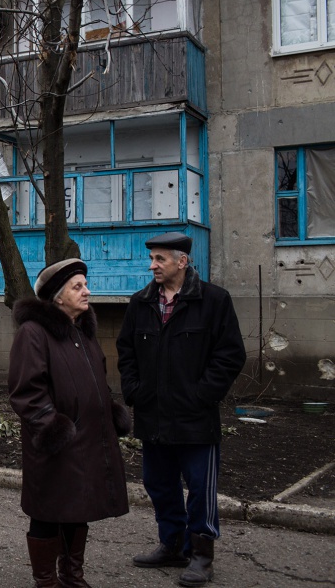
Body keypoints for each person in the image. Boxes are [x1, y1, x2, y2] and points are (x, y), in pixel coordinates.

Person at [117, 232, 246, 587]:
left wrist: (203, 395)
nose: (152, 265)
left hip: (195, 418)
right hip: (153, 415)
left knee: (201, 489)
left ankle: (201, 555)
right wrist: (134, 390)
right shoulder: (140, 302)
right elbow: (126, 351)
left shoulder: (214, 300)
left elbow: (231, 354)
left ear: (182, 261)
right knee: (159, 484)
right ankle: (171, 544)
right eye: (152, 259)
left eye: (160, 259)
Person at [8, 258, 131, 588]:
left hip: (91, 438)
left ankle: (72, 576)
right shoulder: (33, 333)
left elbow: (99, 380)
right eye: (78, 286)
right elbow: (26, 392)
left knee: (80, 508)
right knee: (48, 512)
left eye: (85, 284)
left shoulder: (83, 332)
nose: (87, 291)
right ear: (57, 297)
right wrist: (54, 428)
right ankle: (46, 581)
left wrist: (108, 411)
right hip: (56, 444)